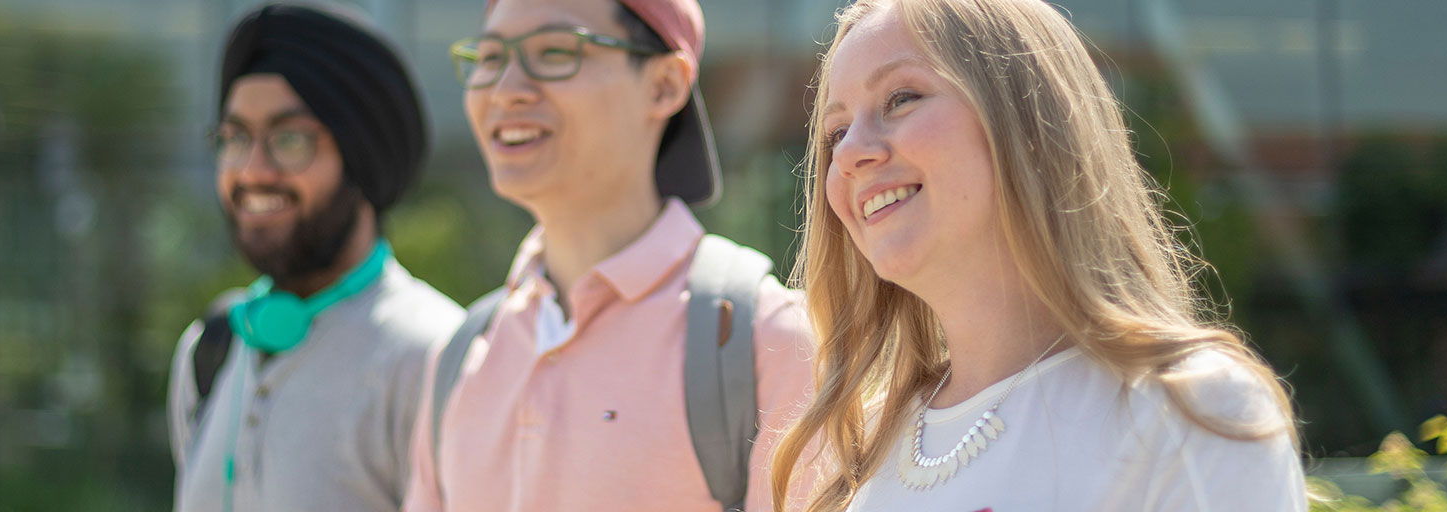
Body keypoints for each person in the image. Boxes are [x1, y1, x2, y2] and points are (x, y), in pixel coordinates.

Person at [769, 0, 1305, 510]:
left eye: (901, 98)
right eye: (836, 132)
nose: (850, 154)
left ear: (1028, 119)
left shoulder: (1194, 411)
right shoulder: (866, 449)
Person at [401, 0, 816, 510]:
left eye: (555, 52)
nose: (505, 90)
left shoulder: (767, 341)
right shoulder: (462, 355)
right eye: (488, 58)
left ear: (664, 85)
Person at [166, 3, 464, 511]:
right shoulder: (210, 349)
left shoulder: (434, 358)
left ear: (360, 156)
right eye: (235, 138)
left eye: (290, 139)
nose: (254, 171)